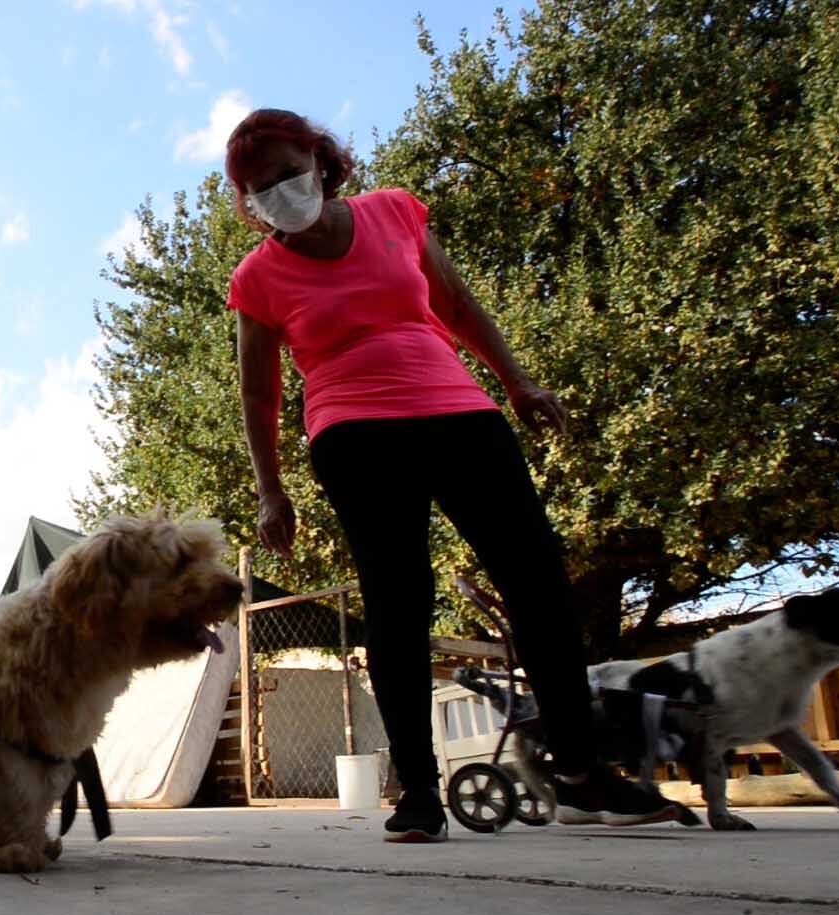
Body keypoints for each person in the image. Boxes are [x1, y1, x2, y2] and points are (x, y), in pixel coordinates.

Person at [225, 108, 679, 842]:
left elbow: (456, 301)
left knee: (537, 583)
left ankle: (581, 774)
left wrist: (517, 381)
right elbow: (258, 391)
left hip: (460, 414)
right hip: (353, 434)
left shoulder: (393, 213)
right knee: (399, 604)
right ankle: (419, 794)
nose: (275, 192)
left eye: (283, 173)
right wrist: (269, 488)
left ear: (318, 158)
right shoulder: (259, 278)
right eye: (256, 188)